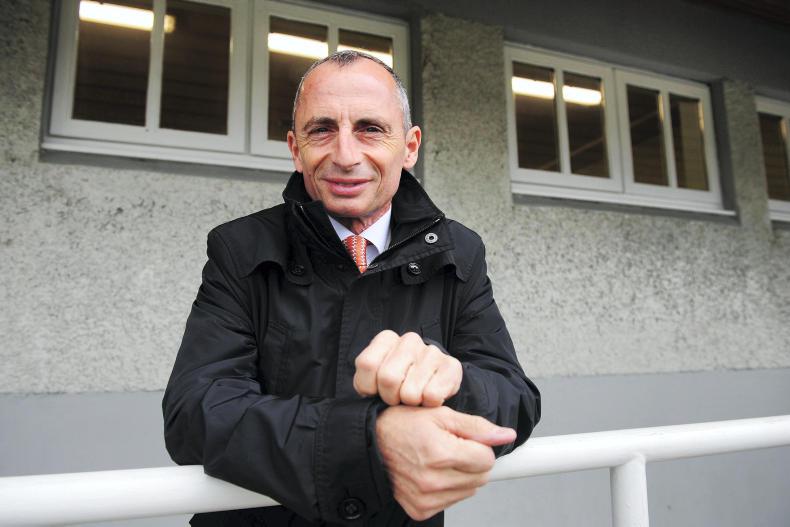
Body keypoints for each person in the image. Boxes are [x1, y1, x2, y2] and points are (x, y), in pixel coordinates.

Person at [163, 50, 540, 527]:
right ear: (295, 149)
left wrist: (455, 386)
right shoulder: (239, 248)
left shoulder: (459, 251)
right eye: (322, 129)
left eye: (370, 129)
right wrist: (369, 442)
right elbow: (195, 414)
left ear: (410, 147)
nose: (345, 155)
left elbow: (515, 398)